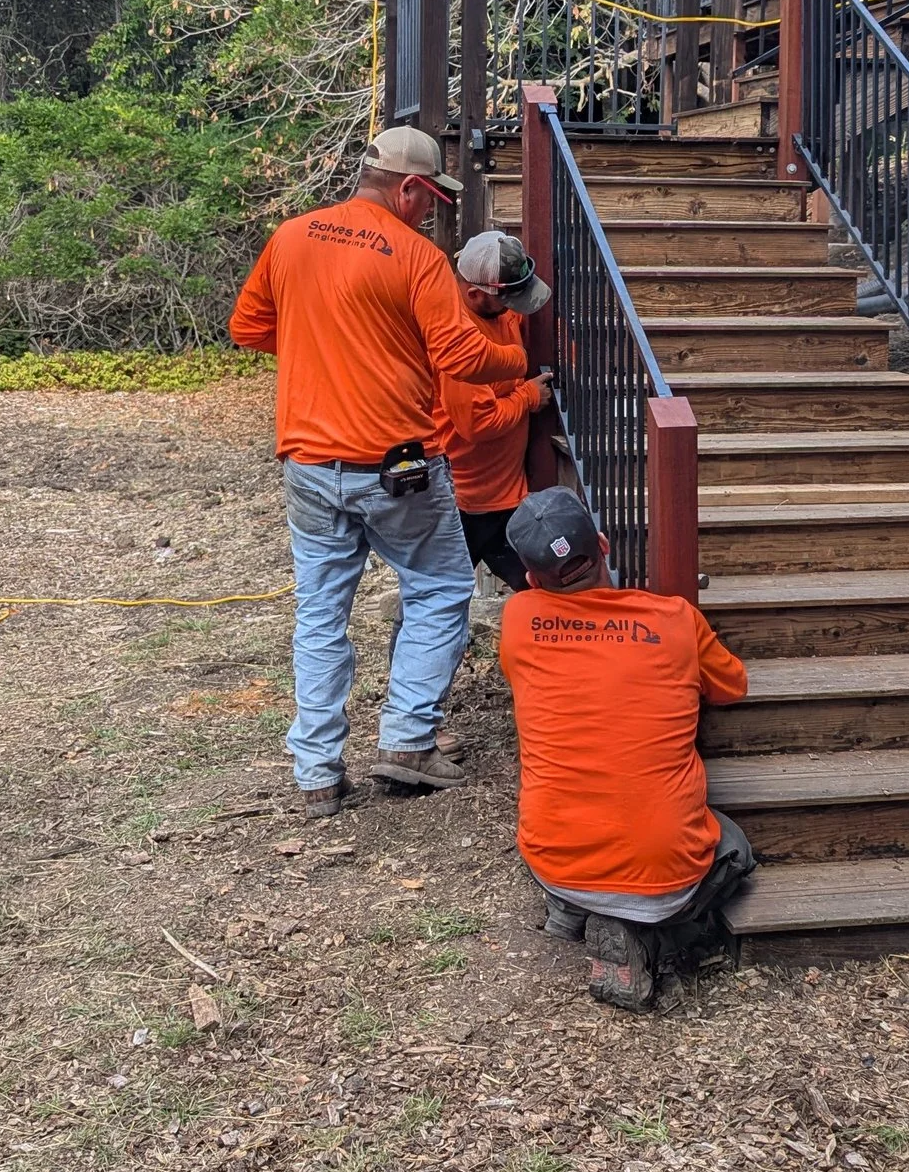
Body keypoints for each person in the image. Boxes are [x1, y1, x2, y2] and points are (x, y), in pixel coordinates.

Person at [230, 125, 530, 819]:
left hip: (308, 465)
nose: (432, 213)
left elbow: (248, 328)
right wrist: (522, 368)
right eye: (432, 199)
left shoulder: (291, 236)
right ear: (410, 189)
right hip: (398, 468)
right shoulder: (415, 256)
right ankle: (406, 740)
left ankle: (316, 774)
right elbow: (463, 358)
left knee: (320, 615)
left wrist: (321, 345)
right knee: (441, 584)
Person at [496, 487, 757, 1010]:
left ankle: (574, 909)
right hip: (666, 872)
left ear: (530, 578)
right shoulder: (676, 619)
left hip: (556, 857)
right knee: (735, 849)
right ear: (604, 545)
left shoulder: (519, 621)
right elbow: (734, 686)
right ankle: (653, 938)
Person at [440, 230, 553, 593]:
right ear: (475, 293)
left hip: (507, 497)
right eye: (509, 296)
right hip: (464, 503)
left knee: (541, 588)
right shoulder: (457, 341)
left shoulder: (500, 311)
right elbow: (478, 423)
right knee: (439, 600)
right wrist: (529, 397)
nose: (515, 307)